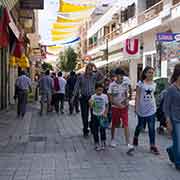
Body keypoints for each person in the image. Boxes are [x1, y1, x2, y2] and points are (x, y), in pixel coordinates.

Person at [133, 66, 160, 155]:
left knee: (151, 128)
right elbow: (137, 96)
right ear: (145, 73)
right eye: (149, 72)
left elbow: (153, 95)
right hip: (142, 108)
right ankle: (136, 137)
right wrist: (136, 107)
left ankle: (152, 145)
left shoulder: (154, 84)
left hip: (151, 109)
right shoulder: (140, 83)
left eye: (152, 72)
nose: (151, 74)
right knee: (140, 126)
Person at [72, 63, 104, 137]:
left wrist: (95, 67)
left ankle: (92, 128)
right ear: (86, 69)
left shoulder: (94, 76)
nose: (90, 71)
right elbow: (76, 87)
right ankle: (85, 130)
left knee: (94, 114)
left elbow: (102, 76)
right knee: (84, 115)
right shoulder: (81, 77)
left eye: (91, 69)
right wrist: (73, 96)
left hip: (92, 98)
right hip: (83, 98)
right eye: (89, 69)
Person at [108, 68, 134, 153]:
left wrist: (128, 99)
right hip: (115, 107)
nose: (121, 77)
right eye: (119, 75)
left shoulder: (126, 83)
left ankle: (128, 143)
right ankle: (112, 139)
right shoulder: (112, 85)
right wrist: (117, 104)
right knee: (114, 124)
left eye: (122, 75)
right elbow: (110, 98)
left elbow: (129, 92)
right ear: (115, 76)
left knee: (126, 124)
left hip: (124, 107)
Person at [164, 63, 180, 170]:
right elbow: (166, 107)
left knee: (177, 143)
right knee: (178, 143)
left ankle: (170, 150)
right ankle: (178, 163)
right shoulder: (172, 89)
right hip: (175, 120)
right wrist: (168, 121)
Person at [89, 83, 109, 151]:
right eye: (98, 90)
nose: (99, 92)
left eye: (101, 90)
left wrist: (105, 113)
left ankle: (103, 142)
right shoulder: (93, 96)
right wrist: (90, 103)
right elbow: (91, 106)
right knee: (95, 130)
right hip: (95, 115)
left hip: (102, 115)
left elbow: (107, 105)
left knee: (102, 130)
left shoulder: (105, 96)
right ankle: (96, 143)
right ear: (95, 90)